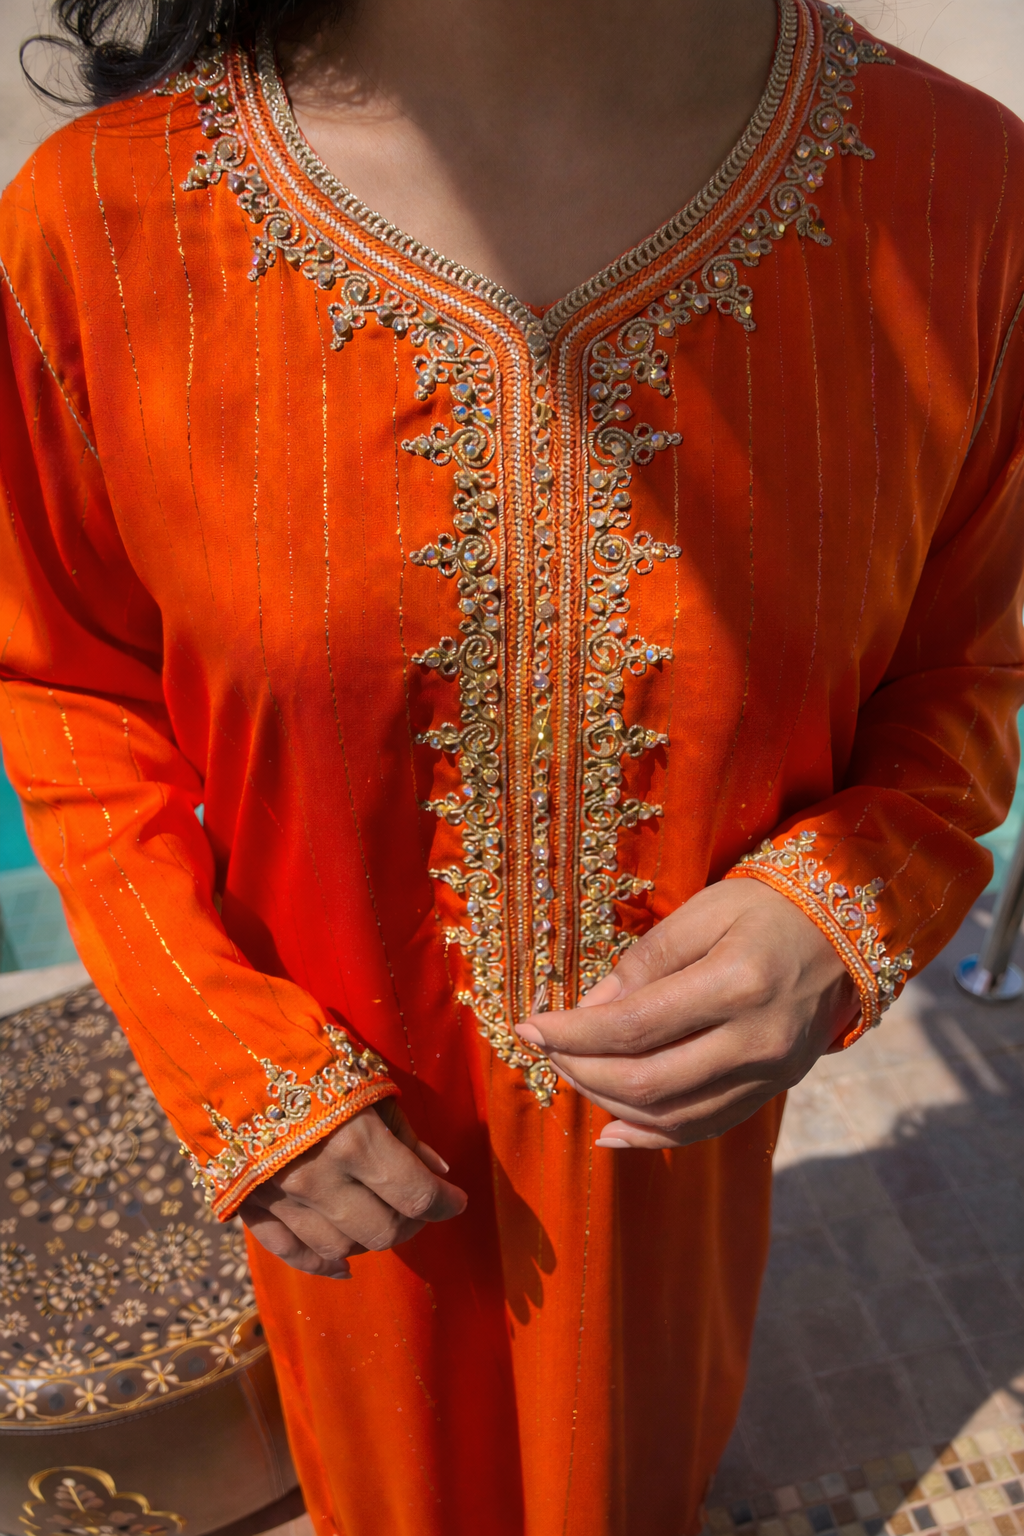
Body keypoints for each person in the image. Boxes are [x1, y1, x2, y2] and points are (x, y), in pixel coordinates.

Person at [1, 0, 1022, 1529]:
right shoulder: (101, 227)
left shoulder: (959, 195)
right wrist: (225, 1057)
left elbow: (969, 674)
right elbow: (64, 689)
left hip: (683, 1210)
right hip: (344, 1200)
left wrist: (840, 911)